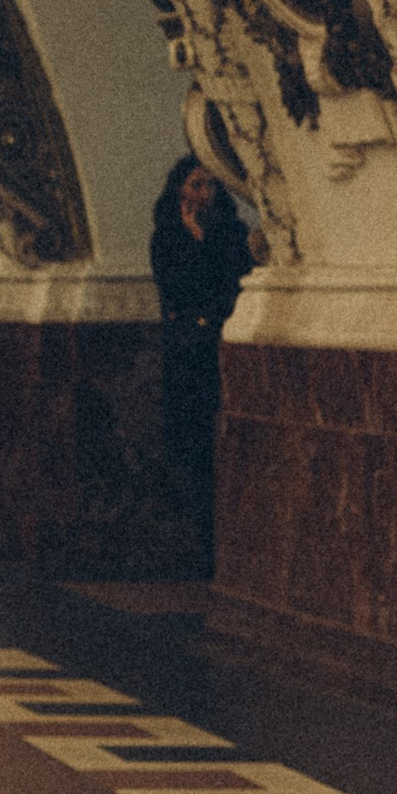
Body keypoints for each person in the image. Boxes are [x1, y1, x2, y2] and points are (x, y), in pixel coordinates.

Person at [150, 152, 253, 568]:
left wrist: (207, 241)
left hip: (218, 346)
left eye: (210, 184)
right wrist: (193, 239)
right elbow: (178, 288)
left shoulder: (232, 232)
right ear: (179, 190)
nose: (205, 193)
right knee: (194, 451)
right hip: (189, 354)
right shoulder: (167, 236)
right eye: (196, 184)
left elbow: (234, 280)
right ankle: (203, 546)